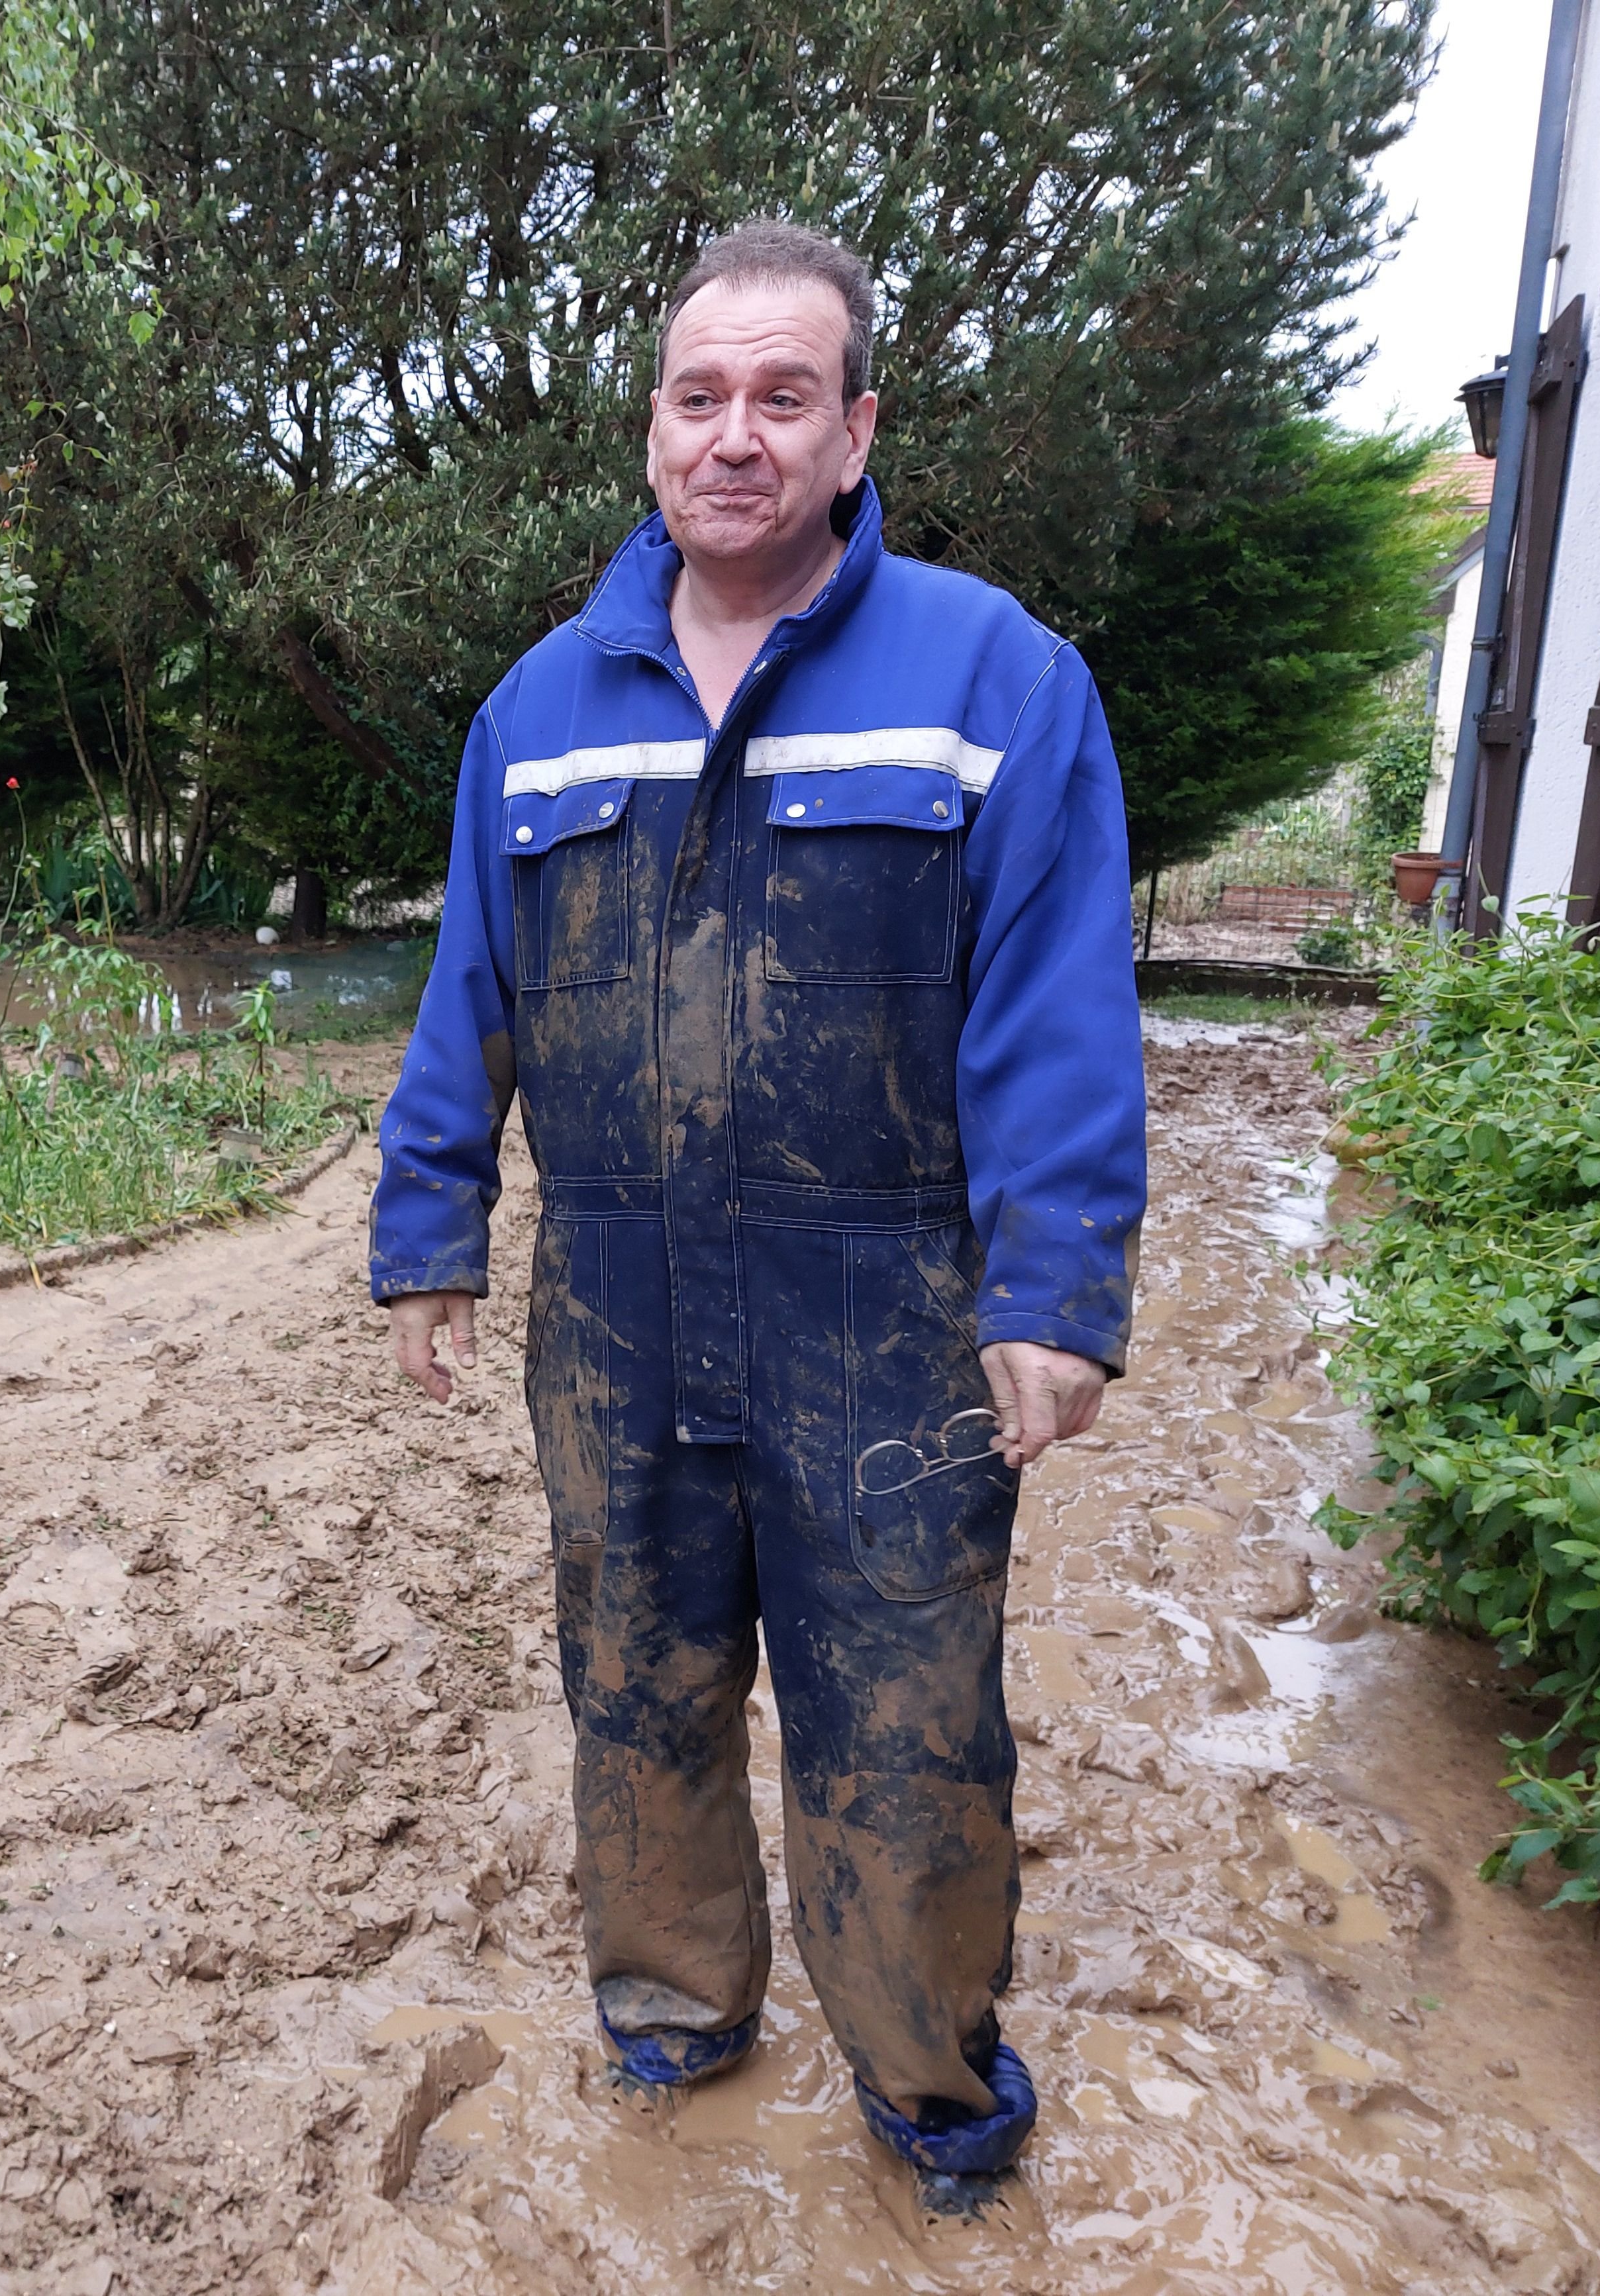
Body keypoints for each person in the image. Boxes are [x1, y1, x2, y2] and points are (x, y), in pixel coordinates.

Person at [369, 218, 1144, 2188]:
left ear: (855, 426)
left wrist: (1051, 1287)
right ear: (652, 429)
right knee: (633, 1673)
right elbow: (471, 987)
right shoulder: (538, 713)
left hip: (884, 1307)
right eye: (701, 397)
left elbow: (1058, 1011)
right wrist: (430, 1224)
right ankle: (678, 2010)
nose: (738, 437)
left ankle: (926, 2081)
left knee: (909, 1714)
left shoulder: (995, 680)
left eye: (782, 397)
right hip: (614, 1299)